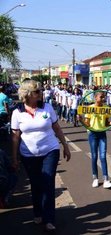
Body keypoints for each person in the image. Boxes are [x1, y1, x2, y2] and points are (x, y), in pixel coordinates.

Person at [11, 79, 71, 231]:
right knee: (36, 184)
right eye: (37, 91)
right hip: (28, 154)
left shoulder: (47, 108)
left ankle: (49, 218)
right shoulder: (17, 112)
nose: (41, 93)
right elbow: (15, 136)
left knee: (48, 182)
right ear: (28, 94)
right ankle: (38, 212)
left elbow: (57, 128)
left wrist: (65, 145)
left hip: (50, 151)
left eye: (41, 91)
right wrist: (15, 158)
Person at [82, 91, 111, 189]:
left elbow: (107, 124)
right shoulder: (90, 108)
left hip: (102, 133)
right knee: (94, 156)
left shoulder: (106, 108)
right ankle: (95, 178)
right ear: (95, 97)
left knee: (103, 156)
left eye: (104, 97)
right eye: (101, 97)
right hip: (92, 133)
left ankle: (106, 180)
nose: (103, 99)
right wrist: (81, 120)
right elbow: (87, 123)